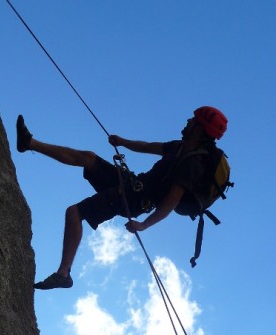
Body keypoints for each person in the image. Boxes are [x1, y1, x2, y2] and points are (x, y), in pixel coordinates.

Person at [16, 106, 228, 290]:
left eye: (193, 121)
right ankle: (29, 143)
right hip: (132, 184)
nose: (188, 121)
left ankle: (63, 275)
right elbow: (148, 147)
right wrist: (122, 142)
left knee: (74, 212)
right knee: (88, 158)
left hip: (136, 199)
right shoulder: (178, 147)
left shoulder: (193, 164)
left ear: (200, 129)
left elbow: (171, 200)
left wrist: (144, 225)